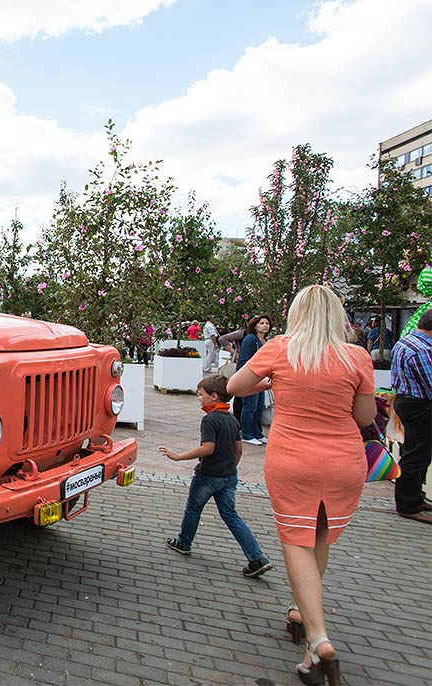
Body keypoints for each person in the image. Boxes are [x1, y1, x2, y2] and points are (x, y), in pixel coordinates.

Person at [229, 285, 375, 686]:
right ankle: (298, 610)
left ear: (297, 314)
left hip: (293, 457)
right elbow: (364, 417)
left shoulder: (281, 347)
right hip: (343, 461)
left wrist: (271, 383)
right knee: (321, 537)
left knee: (296, 539)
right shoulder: (357, 356)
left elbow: (234, 388)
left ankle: (319, 638)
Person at [160, 374, 272, 578]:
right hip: (228, 476)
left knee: (193, 509)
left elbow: (208, 448)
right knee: (231, 515)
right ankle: (257, 557)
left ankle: (184, 542)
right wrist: (231, 468)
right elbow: (238, 450)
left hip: (208, 475)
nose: (198, 398)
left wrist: (178, 457)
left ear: (213, 396)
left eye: (200, 394)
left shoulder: (210, 420)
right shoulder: (232, 419)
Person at [390, 308, 432, 524]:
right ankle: (408, 504)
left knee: (415, 453)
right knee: (416, 456)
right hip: (421, 404)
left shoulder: (405, 341)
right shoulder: (422, 350)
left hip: (407, 400)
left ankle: (415, 496)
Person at [236, 314, 271, 445]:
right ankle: (247, 434)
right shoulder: (250, 339)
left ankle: (257, 432)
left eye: (267, 323)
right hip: (251, 377)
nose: (265, 325)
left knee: (259, 406)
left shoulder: (265, 340)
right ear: (255, 325)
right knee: (249, 406)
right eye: (262, 323)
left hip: (261, 378)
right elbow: (243, 360)